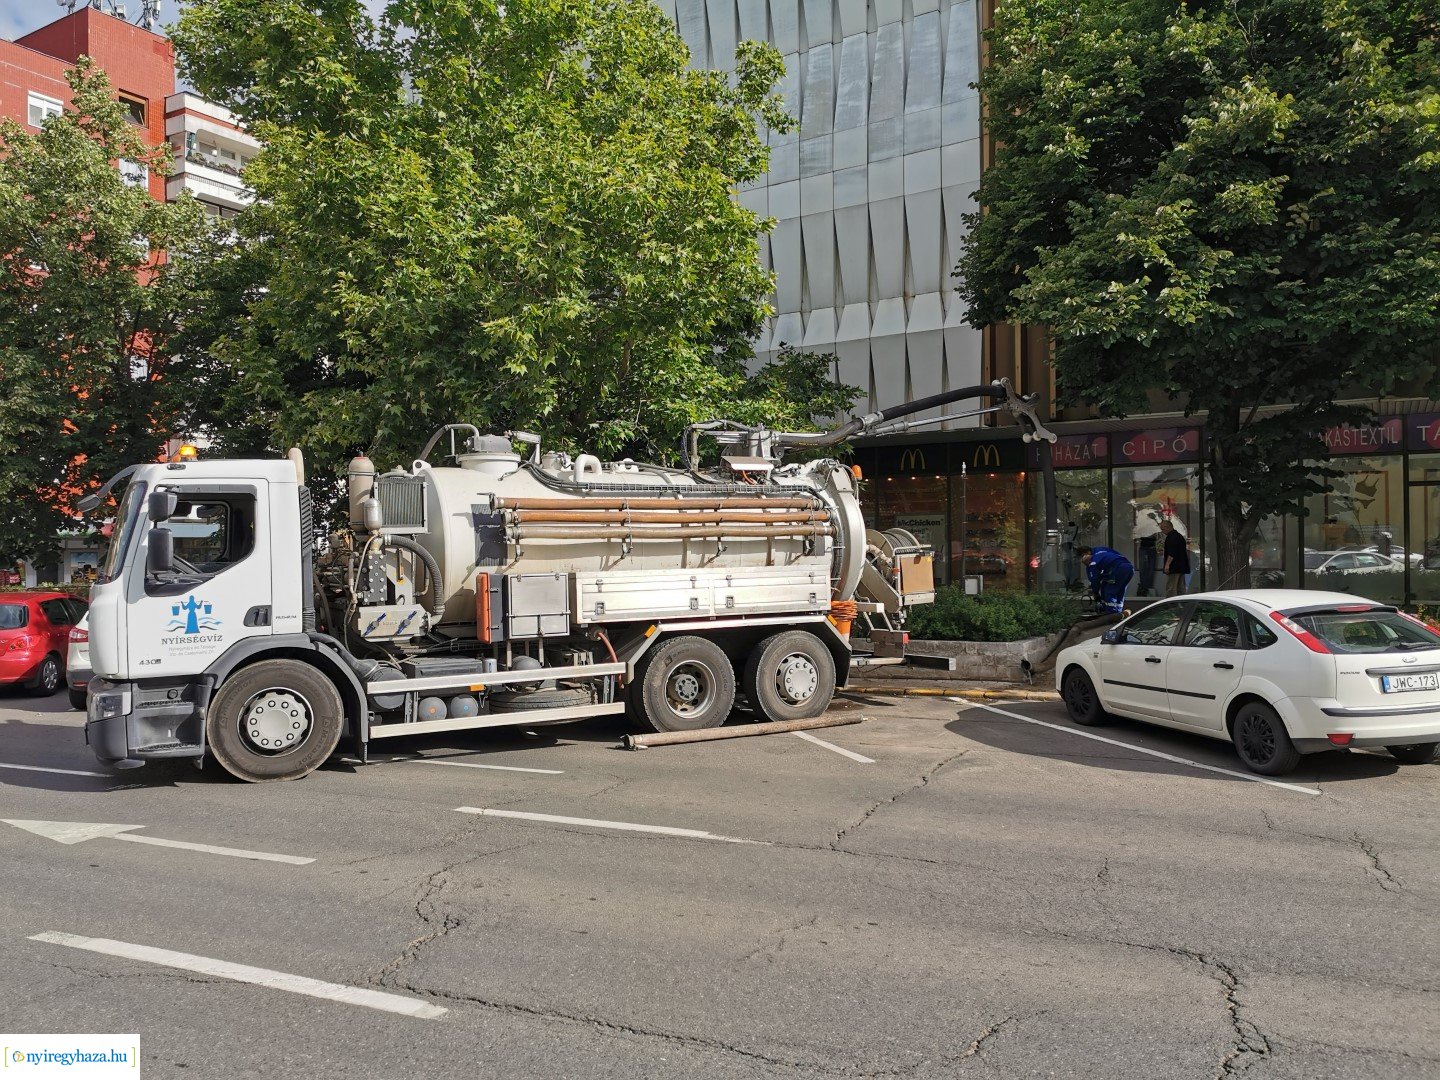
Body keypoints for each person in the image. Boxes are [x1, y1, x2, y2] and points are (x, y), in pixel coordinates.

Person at [1077, 545, 1134, 614]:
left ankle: (1111, 614)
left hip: (1118, 569)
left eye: (1082, 556)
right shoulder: (1100, 549)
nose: (1082, 559)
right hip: (1128, 568)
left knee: (1108, 591)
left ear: (1087, 553)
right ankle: (1118, 612)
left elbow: (1095, 580)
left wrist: (1095, 593)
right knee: (1119, 591)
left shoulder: (1092, 562)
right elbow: (1112, 559)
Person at [1159, 519, 1190, 596]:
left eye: (1163, 529)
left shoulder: (1171, 537)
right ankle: (1182, 604)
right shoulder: (1179, 536)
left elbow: (1172, 553)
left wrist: (1167, 565)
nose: (1162, 531)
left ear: (1168, 527)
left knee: (1171, 588)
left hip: (1174, 567)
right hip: (1181, 566)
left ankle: (1171, 606)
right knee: (1181, 588)